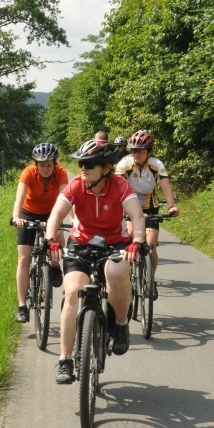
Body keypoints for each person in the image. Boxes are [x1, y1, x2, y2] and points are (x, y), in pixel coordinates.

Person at [44, 139, 146, 384]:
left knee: (117, 271)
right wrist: (51, 240)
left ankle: (120, 324)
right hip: (80, 243)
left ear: (105, 168)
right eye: (81, 163)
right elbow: (55, 215)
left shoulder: (120, 186)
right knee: (72, 291)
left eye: (89, 164)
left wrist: (137, 241)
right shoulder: (76, 185)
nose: (83, 168)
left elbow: (137, 215)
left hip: (115, 243)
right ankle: (66, 359)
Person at [115, 129, 179, 295]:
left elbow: (165, 185)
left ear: (148, 152)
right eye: (134, 150)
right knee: (130, 233)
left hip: (150, 206)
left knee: (150, 245)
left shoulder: (156, 164)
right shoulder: (124, 163)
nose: (136, 154)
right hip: (129, 203)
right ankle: (129, 273)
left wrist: (171, 206)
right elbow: (117, 187)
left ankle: (150, 279)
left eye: (140, 151)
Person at [12, 142, 68, 323]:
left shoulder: (61, 173)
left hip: (51, 212)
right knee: (24, 259)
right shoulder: (28, 172)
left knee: (58, 234)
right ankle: (22, 306)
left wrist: (73, 220)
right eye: (41, 165)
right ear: (35, 164)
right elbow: (20, 197)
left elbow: (65, 198)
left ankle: (54, 266)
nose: (45, 168)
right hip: (28, 213)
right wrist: (16, 218)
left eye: (49, 165)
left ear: (55, 163)